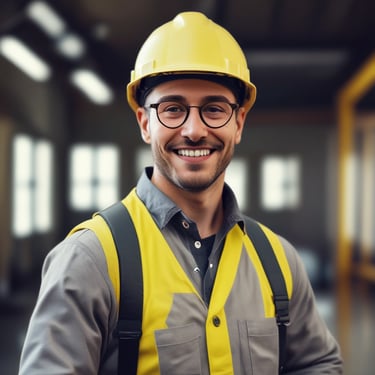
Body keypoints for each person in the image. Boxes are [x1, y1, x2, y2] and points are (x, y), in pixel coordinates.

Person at [19, 11, 343, 374]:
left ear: (239, 123)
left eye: (214, 109)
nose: (193, 130)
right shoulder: (89, 262)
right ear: (145, 123)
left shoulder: (279, 262)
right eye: (172, 109)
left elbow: (318, 363)